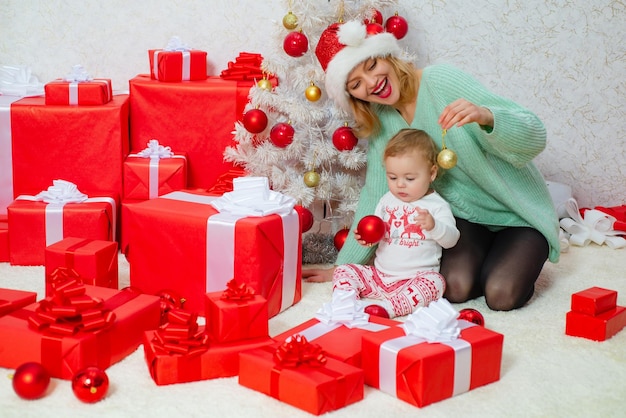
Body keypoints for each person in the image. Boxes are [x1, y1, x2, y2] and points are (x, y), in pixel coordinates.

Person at [303, 20, 561, 312]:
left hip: (516, 215)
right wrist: (342, 268)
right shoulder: (381, 120)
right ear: (352, 95)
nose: (371, 83)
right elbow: (375, 195)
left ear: (387, 55)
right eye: (356, 84)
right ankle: (489, 258)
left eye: (372, 65)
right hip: (465, 222)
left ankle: (509, 259)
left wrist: (487, 116)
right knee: (453, 288)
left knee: (501, 295)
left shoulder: (441, 80)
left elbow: (535, 135)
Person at [333, 128, 460, 318]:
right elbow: (379, 234)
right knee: (345, 270)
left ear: (432, 173)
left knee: (436, 283)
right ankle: (344, 301)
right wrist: (367, 239)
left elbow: (452, 239)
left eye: (409, 178)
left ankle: (390, 308)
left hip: (413, 281)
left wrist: (434, 226)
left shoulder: (436, 206)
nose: (399, 184)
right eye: (392, 177)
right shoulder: (386, 200)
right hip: (380, 277)